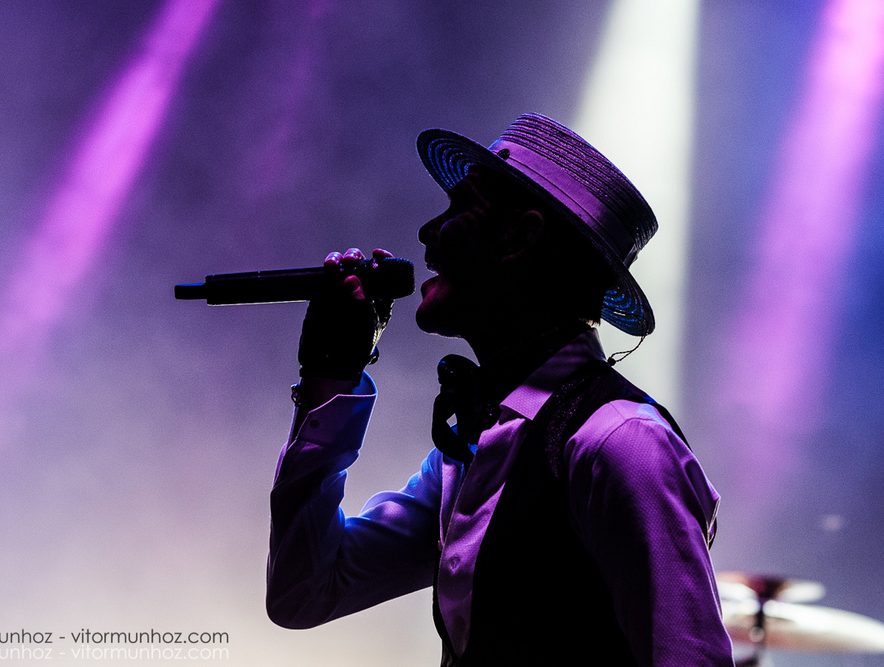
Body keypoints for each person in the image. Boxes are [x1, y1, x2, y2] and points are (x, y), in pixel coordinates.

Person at [266, 113, 734, 666]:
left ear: (518, 237)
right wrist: (331, 376)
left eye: (458, 209)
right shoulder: (474, 448)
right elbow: (305, 592)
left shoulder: (622, 444)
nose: (426, 233)